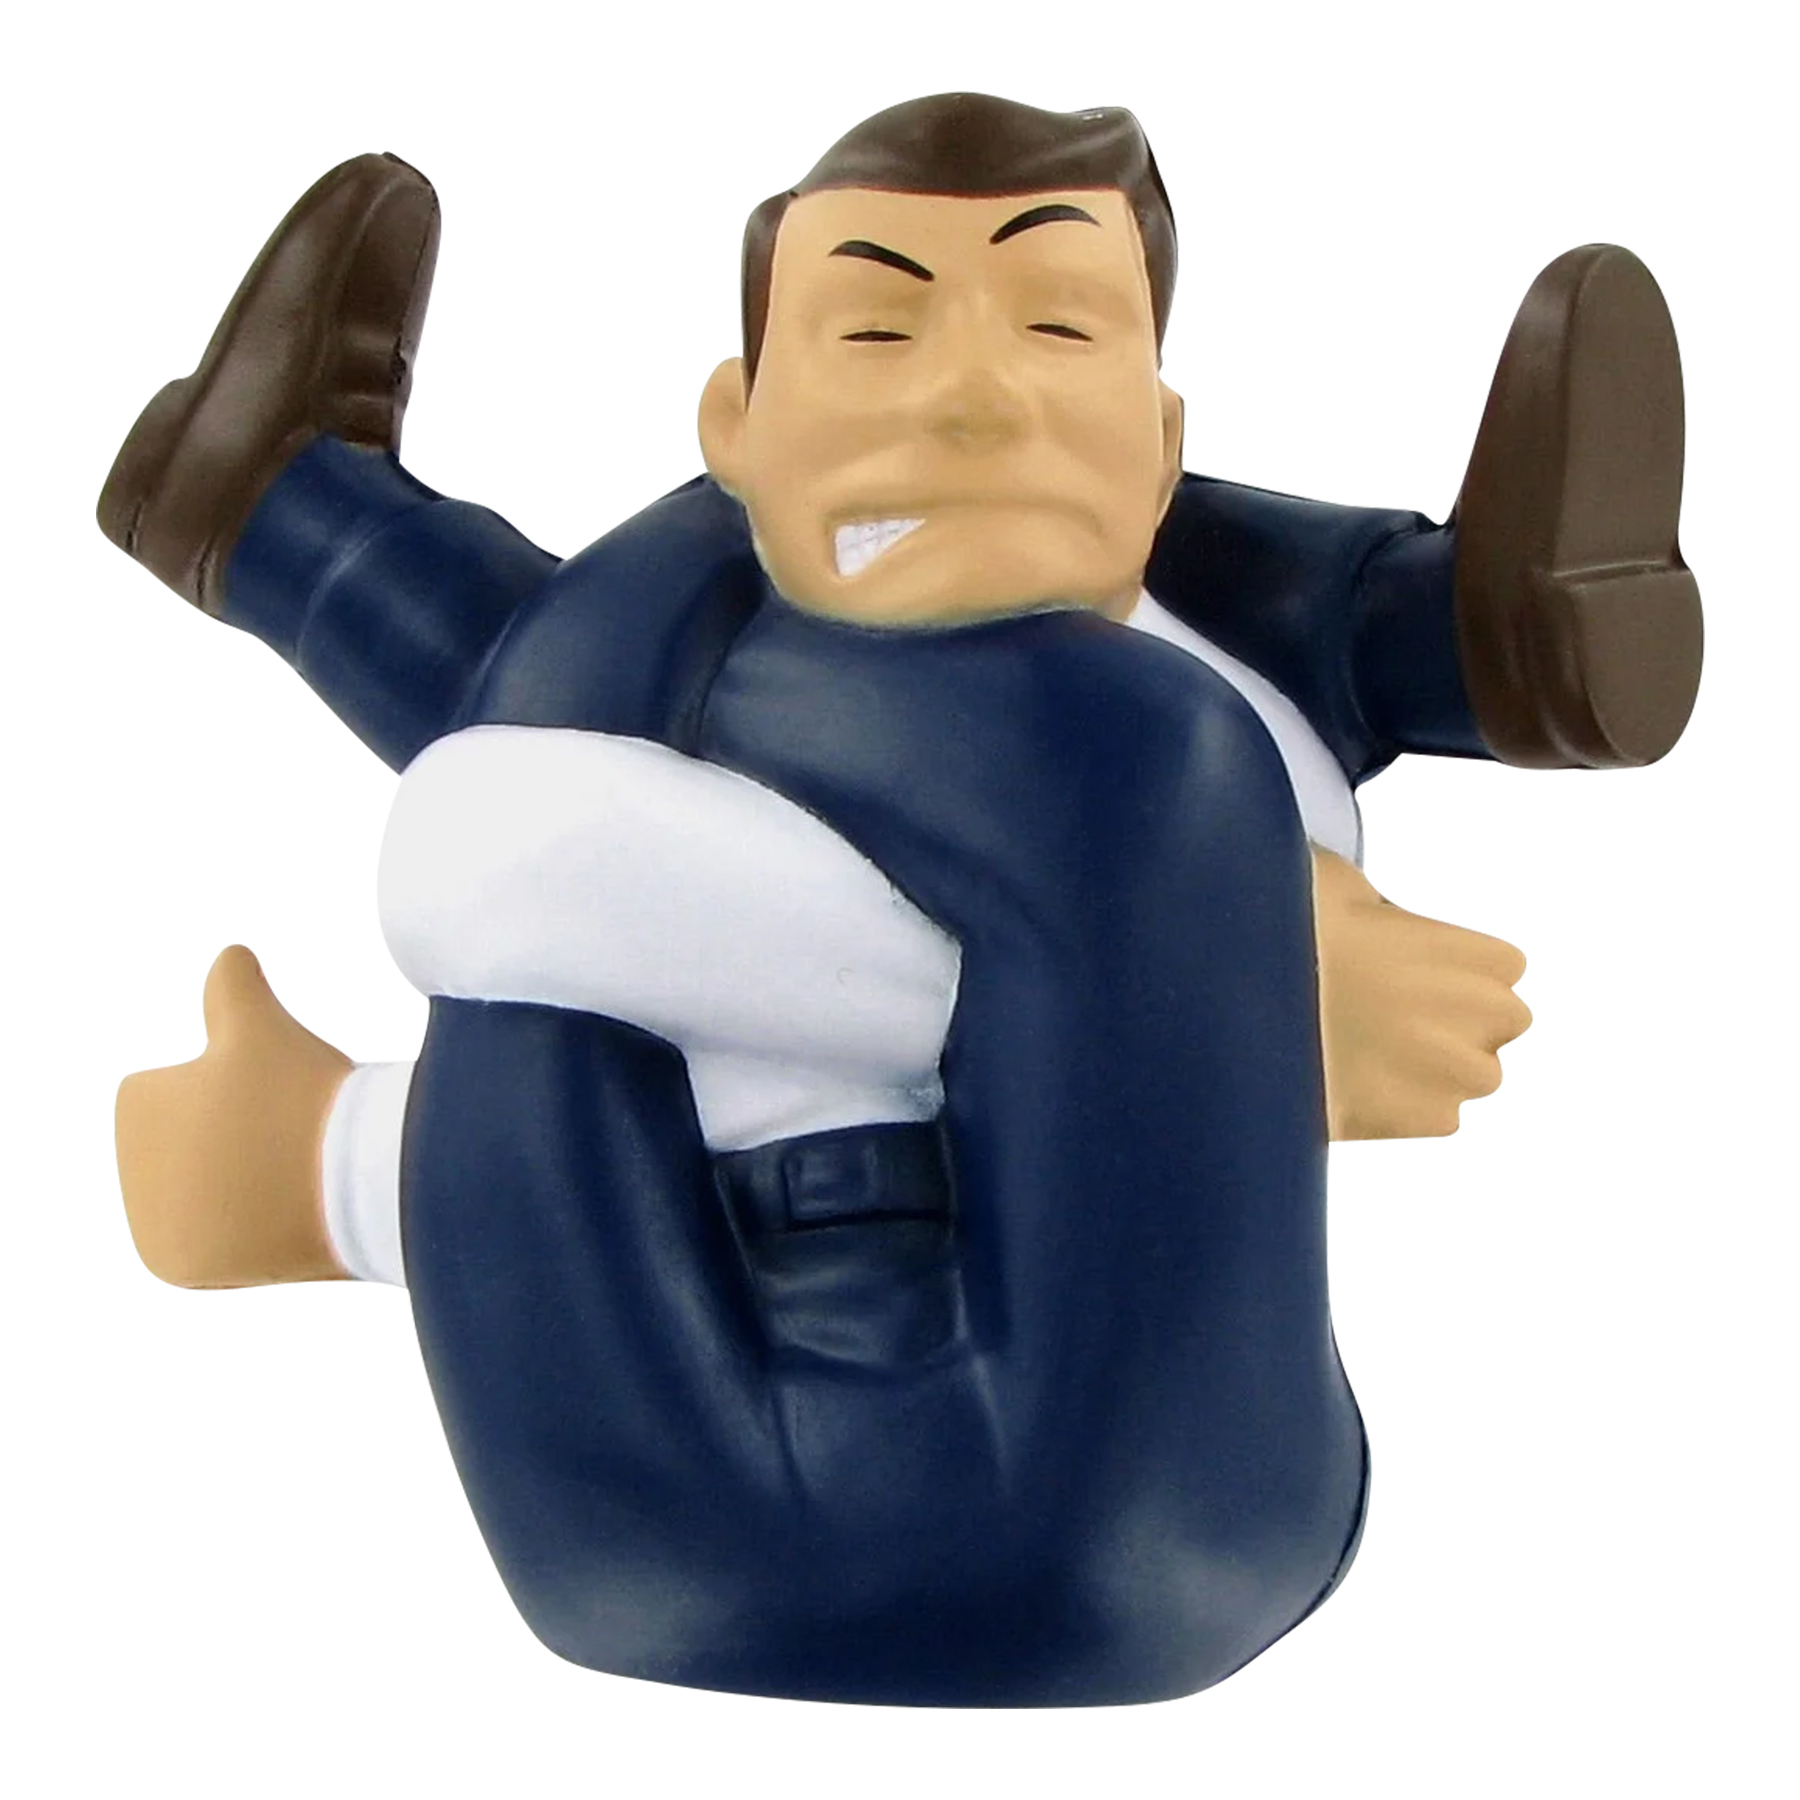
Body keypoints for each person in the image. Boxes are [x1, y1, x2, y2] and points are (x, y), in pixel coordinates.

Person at [97, 95, 1696, 1704]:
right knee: (961, 698)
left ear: (1163, 437)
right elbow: (523, 922)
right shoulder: (1082, 738)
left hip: (1061, 1497)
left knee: (734, 653)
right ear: (731, 424)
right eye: (876, 327)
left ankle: (273, 510)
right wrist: (1240, 974)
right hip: (792, 1493)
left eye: (1060, 326)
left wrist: (332, 1157)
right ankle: (1475, 636)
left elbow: (555, 891)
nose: (972, 390)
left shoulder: (800, 679)